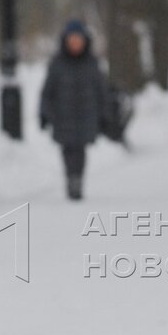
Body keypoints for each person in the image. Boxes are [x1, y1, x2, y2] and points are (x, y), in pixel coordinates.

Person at [39, 19, 112, 200]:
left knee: (80, 150)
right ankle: (71, 178)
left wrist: (104, 115)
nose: (75, 44)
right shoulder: (57, 64)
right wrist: (44, 113)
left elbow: (101, 91)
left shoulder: (92, 64)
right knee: (68, 150)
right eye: (72, 40)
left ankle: (77, 179)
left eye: (78, 40)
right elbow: (47, 92)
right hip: (63, 116)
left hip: (86, 115)